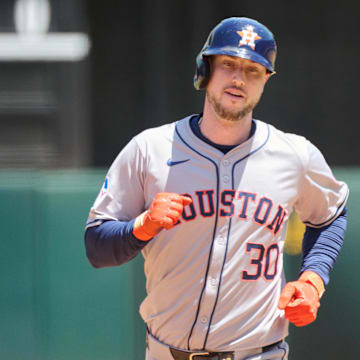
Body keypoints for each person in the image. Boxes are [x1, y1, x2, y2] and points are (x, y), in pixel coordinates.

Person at [84, 17, 348, 360]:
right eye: (228, 64)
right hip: (165, 352)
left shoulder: (295, 155)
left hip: (258, 352)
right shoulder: (150, 149)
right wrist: (142, 226)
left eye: (253, 69)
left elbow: (330, 216)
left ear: (266, 80)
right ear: (205, 69)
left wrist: (313, 280)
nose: (239, 78)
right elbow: (96, 247)